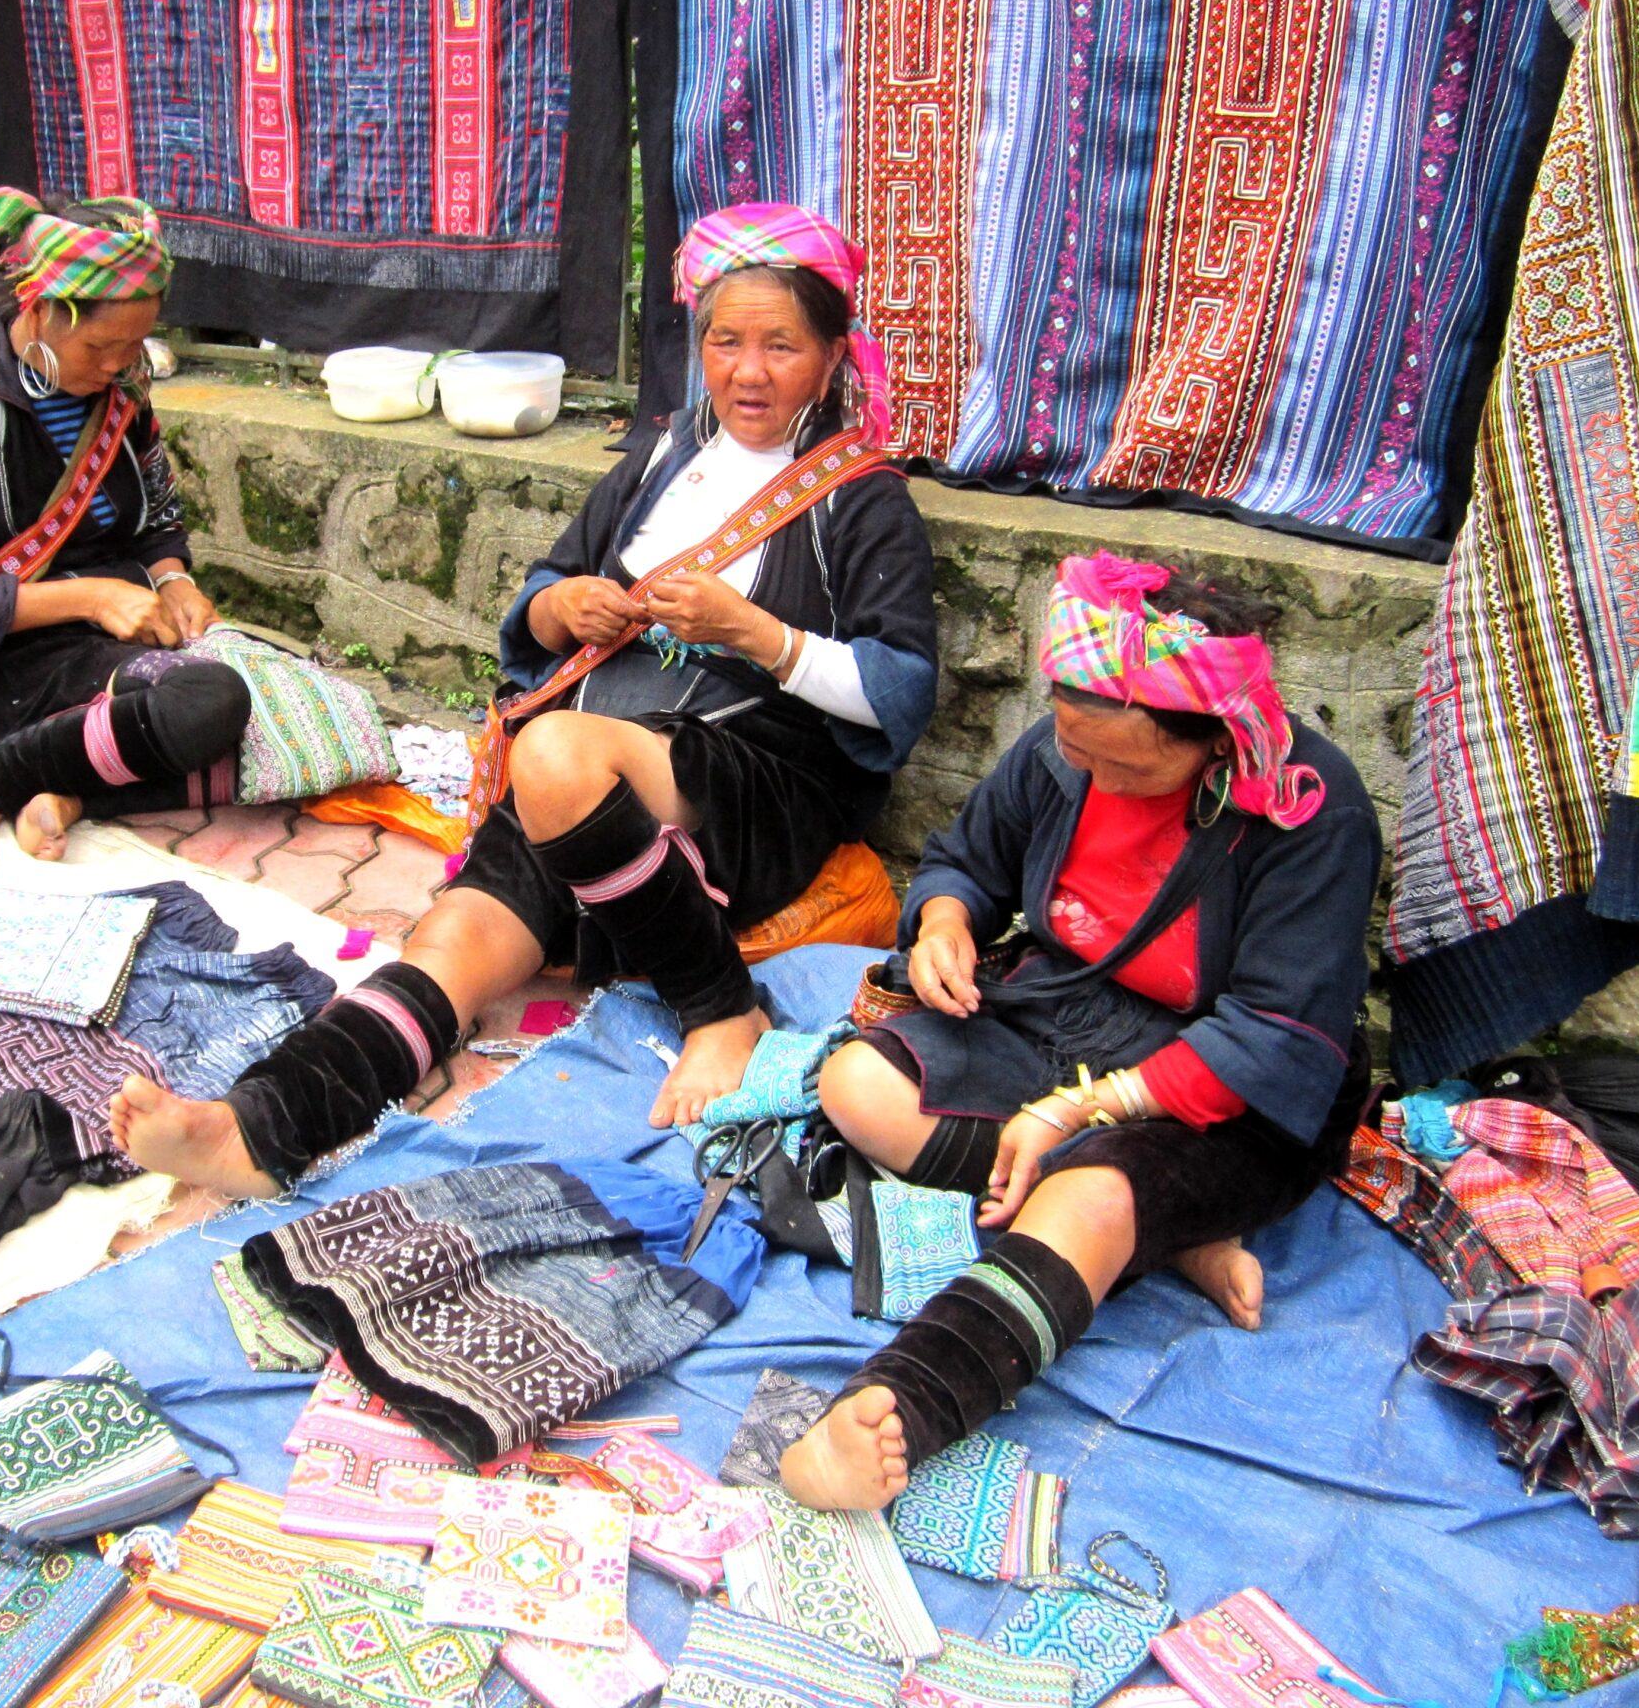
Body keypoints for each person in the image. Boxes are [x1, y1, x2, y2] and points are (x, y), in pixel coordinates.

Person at [116, 203, 939, 1197]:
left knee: (554, 753)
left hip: (755, 781)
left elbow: (898, 692)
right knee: (454, 945)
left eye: (781, 347)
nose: (748, 373)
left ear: (833, 355)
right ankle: (260, 1128)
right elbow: (543, 592)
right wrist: (562, 606)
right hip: (593, 785)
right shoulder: (666, 459)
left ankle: (723, 1009)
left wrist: (756, 634)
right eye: (725, 342)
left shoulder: (861, 500)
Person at [777, 553, 1380, 1513]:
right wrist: (944, 925)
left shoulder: (1312, 811)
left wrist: (1074, 1114)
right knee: (858, 1087)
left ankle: (897, 1404)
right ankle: (1164, 1234)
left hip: (1227, 1077)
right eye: (1077, 750)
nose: (1093, 778)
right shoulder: (1064, 750)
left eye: (1128, 769)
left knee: (1090, 1195)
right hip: (1072, 1007)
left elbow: (1271, 1036)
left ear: (1216, 742)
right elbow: (967, 861)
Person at [0, 189, 249, 883]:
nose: (120, 365)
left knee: (288, 723)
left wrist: (174, 579)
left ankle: (68, 791)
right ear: (40, 310)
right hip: (9, 658)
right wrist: (95, 597)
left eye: (135, 345)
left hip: (117, 640)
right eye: (102, 345)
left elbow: (156, 515)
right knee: (208, 706)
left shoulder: (120, 384)